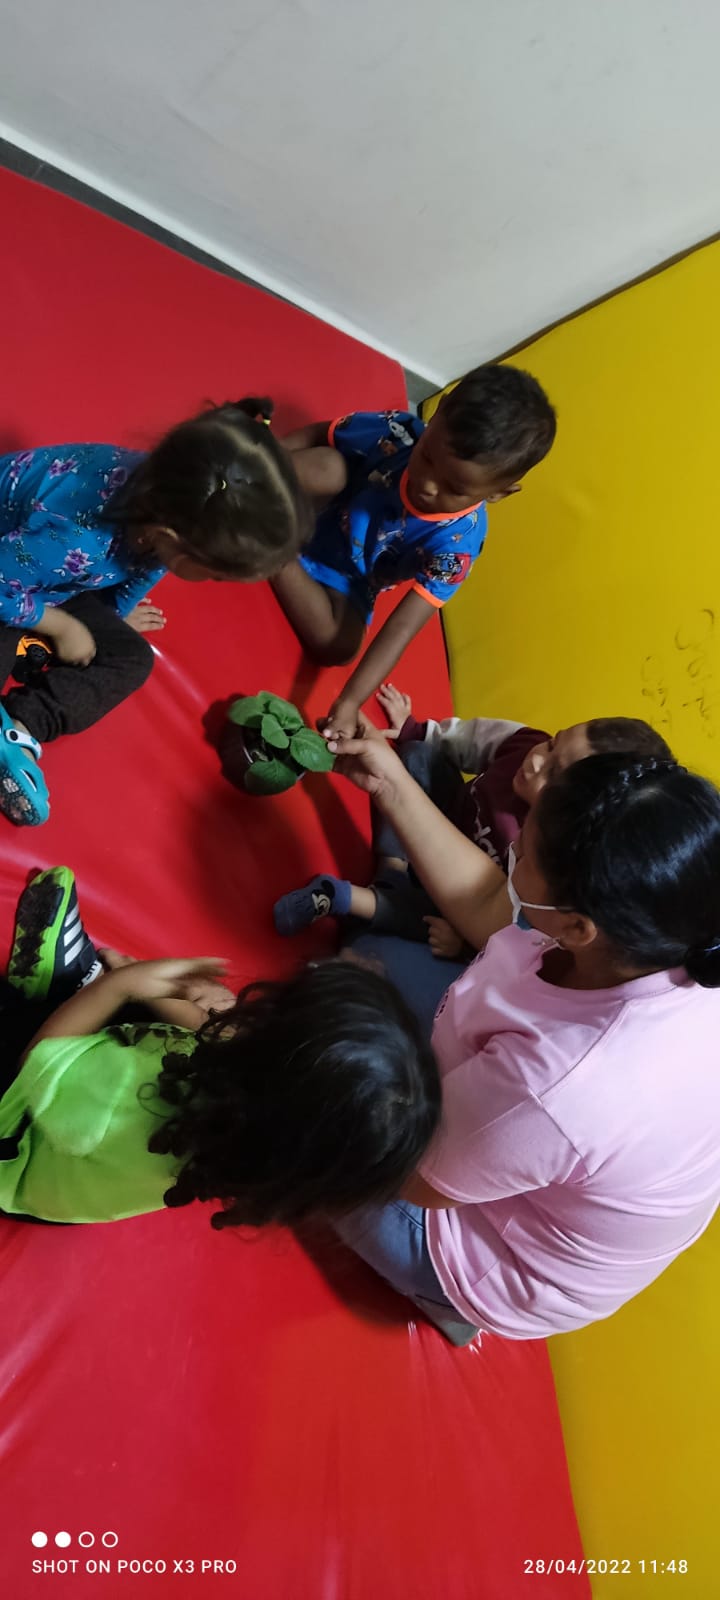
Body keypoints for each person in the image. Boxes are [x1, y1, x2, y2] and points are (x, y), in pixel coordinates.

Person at [322, 726, 720, 1344]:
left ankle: (447, 1301)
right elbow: (490, 903)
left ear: (577, 927)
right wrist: (390, 781)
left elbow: (417, 1179)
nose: (513, 856)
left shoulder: (566, 1084)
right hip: (509, 1123)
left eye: (525, 855)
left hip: (474, 1242)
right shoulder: (657, 931)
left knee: (315, 1103)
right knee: (363, 971)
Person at [0, 867, 440, 1226]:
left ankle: (71, 983)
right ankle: (90, 982)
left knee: (21, 1023)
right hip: (84, 1124)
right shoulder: (249, 1136)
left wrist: (121, 985)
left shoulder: (123, 1099)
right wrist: (169, 992)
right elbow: (219, 1037)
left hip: (21, 1138)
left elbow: (32, 1072)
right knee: (208, 1005)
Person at [0, 398, 310, 827]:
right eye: (215, 575)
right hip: (12, 573)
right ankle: (29, 644)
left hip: (55, 579)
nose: (213, 582)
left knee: (132, 657)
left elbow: (146, 568)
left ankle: (21, 724)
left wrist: (113, 615)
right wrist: (63, 626)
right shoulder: (81, 534)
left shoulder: (171, 503)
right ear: (169, 536)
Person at [274, 681, 673, 959]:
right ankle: (391, 872)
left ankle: (349, 899)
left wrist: (463, 946)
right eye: (552, 743)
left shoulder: (551, 869)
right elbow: (468, 740)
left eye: (554, 775)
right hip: (436, 825)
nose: (537, 760)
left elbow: (504, 926)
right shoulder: (524, 745)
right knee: (418, 757)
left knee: (435, 927)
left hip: (454, 903)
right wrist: (416, 730)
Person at [272, 364, 556, 741]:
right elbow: (320, 433)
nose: (428, 484)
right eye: (427, 458)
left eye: (454, 488)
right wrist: (265, 459)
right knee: (327, 466)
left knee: (339, 646)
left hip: (348, 578)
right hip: (317, 505)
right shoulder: (400, 433)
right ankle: (261, 499)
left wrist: (349, 702)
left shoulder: (458, 545)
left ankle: (273, 551)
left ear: (498, 493)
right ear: (437, 414)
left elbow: (403, 626)